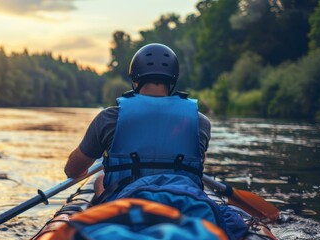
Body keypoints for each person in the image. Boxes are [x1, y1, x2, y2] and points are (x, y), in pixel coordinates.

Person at [64, 43, 248, 240]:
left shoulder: (109, 118)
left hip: (128, 205)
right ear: (173, 80)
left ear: (135, 80)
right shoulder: (200, 122)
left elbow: (72, 171)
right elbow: (198, 162)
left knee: (100, 179)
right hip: (186, 204)